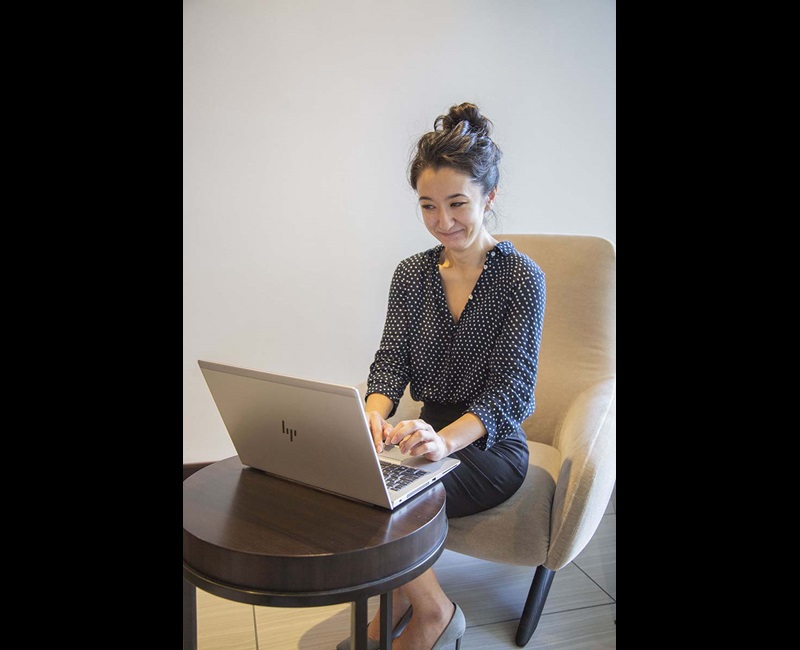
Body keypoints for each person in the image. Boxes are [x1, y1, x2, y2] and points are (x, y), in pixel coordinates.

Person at [337, 102, 546, 650]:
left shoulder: (522, 278)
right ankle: (401, 601)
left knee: (387, 500)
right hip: (422, 435)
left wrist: (443, 440)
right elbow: (390, 364)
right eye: (428, 206)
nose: (442, 221)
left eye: (457, 204)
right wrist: (372, 417)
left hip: (489, 446)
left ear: (488, 198)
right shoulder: (411, 274)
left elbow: (511, 392)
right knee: (357, 478)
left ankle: (434, 614)